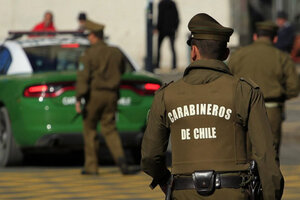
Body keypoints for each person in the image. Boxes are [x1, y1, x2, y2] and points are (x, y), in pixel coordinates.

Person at [141, 13, 284, 200]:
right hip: (234, 193)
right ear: (225, 54)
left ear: (193, 51)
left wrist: (165, 180)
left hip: (185, 193)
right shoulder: (244, 91)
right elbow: (265, 156)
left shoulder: (166, 95)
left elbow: (150, 157)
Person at [228, 21, 300, 163]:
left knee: (244, 155)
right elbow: (294, 88)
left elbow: (227, 81)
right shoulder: (281, 57)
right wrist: (280, 96)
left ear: (255, 36)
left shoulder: (238, 55)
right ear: (275, 39)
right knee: (269, 156)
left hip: (243, 110)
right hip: (271, 110)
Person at [75, 20, 137, 175]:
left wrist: (78, 98)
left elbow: (83, 77)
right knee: (110, 128)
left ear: (94, 36)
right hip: (112, 95)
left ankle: (91, 166)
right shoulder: (115, 51)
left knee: (89, 129)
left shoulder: (88, 54)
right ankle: (121, 160)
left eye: (89, 35)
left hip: (94, 95)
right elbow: (122, 69)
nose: (88, 38)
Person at [155, 0, 179, 70]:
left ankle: (157, 65)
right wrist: (175, 28)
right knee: (172, 48)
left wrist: (157, 28)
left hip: (162, 29)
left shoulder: (161, 4)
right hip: (171, 30)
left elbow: (160, 17)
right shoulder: (173, 4)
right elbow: (177, 17)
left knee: (159, 48)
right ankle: (174, 66)